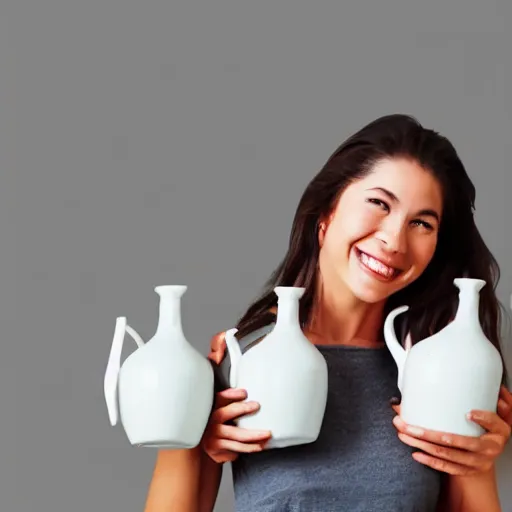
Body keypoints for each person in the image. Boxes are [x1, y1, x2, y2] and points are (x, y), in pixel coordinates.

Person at [144, 114, 512, 512]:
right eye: (378, 203)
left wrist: (476, 463)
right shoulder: (239, 365)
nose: (394, 239)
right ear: (326, 214)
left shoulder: (439, 376)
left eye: (421, 223)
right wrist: (192, 432)